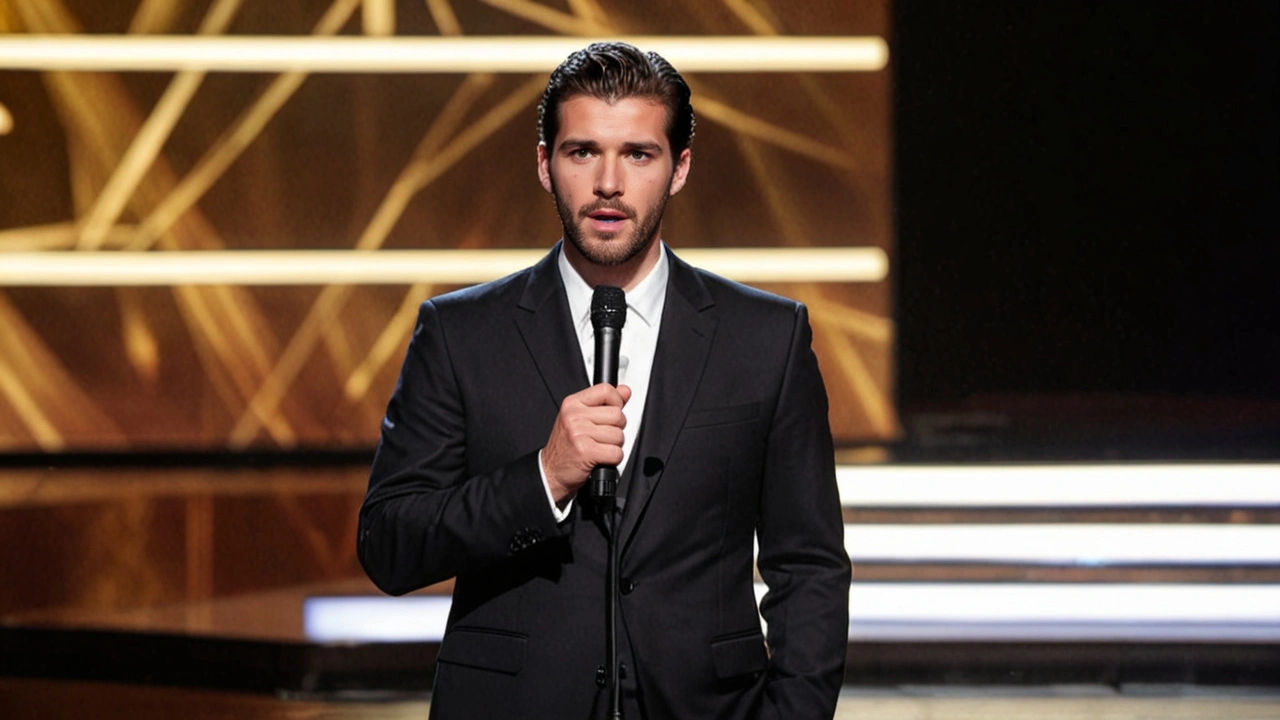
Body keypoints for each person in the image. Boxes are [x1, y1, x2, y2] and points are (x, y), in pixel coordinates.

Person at [358, 41, 850, 719]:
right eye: (583, 151)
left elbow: (811, 567)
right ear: (544, 164)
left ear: (679, 168)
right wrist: (543, 477)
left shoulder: (766, 337)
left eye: (638, 154)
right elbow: (390, 544)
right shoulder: (460, 333)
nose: (609, 183)